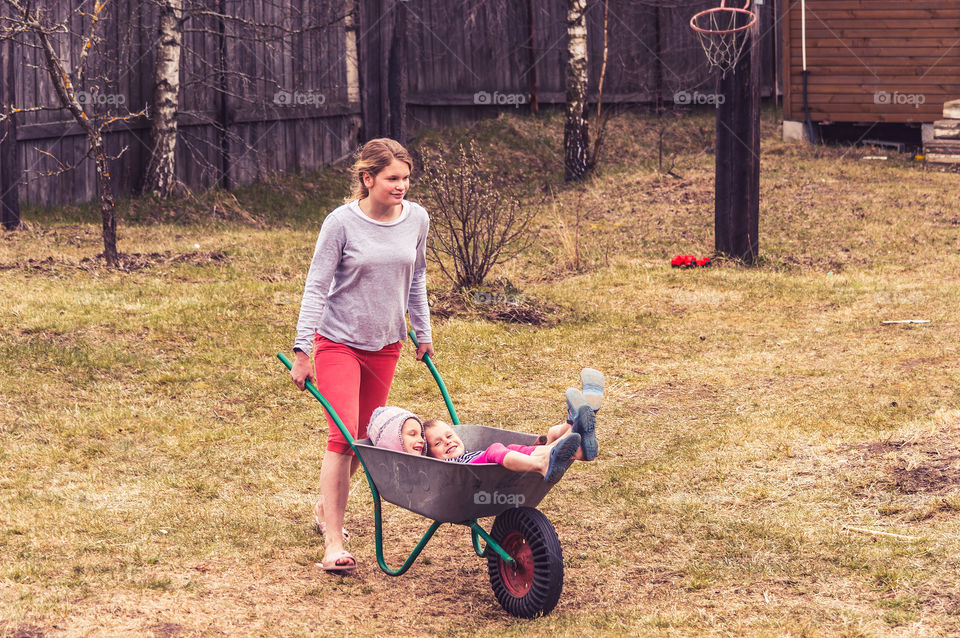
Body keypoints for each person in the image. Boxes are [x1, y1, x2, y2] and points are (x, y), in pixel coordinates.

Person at [289, 138, 433, 573]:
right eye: (392, 178)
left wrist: (421, 331)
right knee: (343, 436)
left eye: (406, 178)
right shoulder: (341, 223)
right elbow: (316, 286)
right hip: (338, 342)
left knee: (366, 441)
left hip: (386, 344)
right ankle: (333, 539)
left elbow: (417, 277)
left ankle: (323, 508)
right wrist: (303, 349)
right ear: (367, 179)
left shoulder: (418, 219)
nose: (401, 186)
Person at [422, 418, 582, 482]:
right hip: (468, 475)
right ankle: (542, 464)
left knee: (513, 449)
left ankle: (571, 436)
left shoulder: (467, 453)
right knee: (494, 450)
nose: (447, 442)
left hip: (481, 469)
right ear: (430, 456)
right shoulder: (449, 465)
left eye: (449, 435)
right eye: (438, 443)